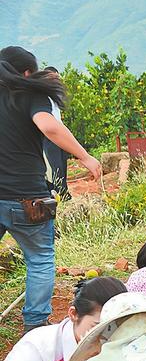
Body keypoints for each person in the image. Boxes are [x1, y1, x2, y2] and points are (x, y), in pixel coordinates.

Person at [0, 46, 102, 332]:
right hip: (27, 197)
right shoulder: (30, 94)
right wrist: (85, 156)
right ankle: (34, 325)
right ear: (27, 73)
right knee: (40, 259)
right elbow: (49, 127)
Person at [41, 66, 69, 200]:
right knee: (55, 166)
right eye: (53, 78)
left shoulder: (56, 96)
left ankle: (64, 192)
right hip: (49, 136)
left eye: (57, 78)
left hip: (60, 134)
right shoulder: (42, 96)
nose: (56, 80)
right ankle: (57, 193)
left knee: (63, 164)